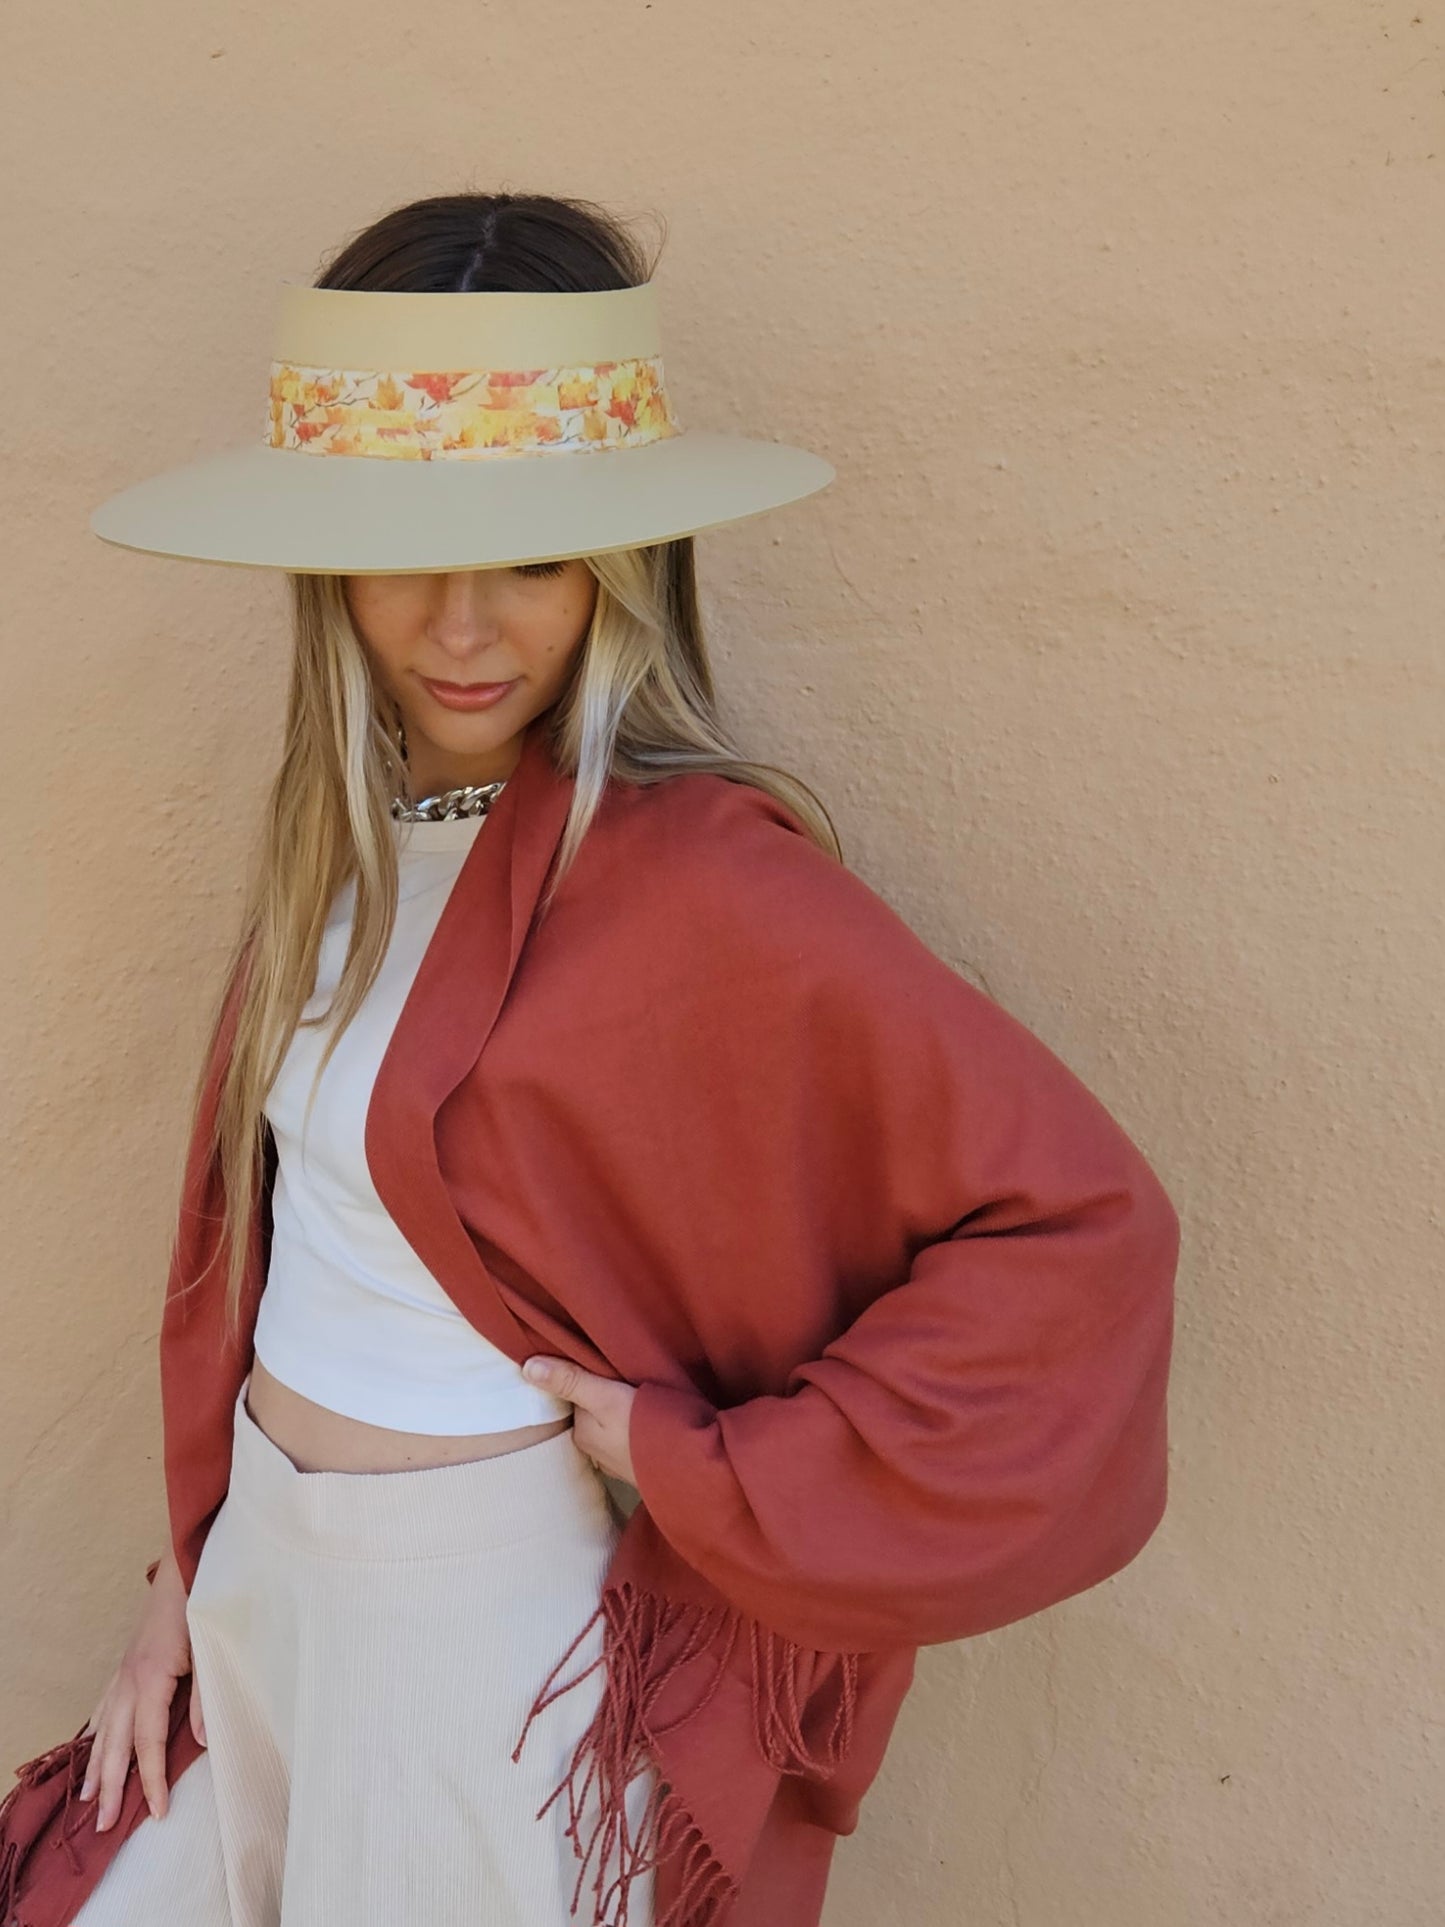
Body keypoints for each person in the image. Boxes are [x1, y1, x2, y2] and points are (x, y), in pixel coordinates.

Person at [0, 190, 1181, 1927]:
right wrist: (188, 1580)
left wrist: (703, 1459)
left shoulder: (701, 875)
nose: (462, 628)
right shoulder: (342, 852)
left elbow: (1081, 1231)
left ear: (623, 571)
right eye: (406, 555)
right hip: (262, 1590)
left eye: (534, 560)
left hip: (483, 1645)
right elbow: (320, 1256)